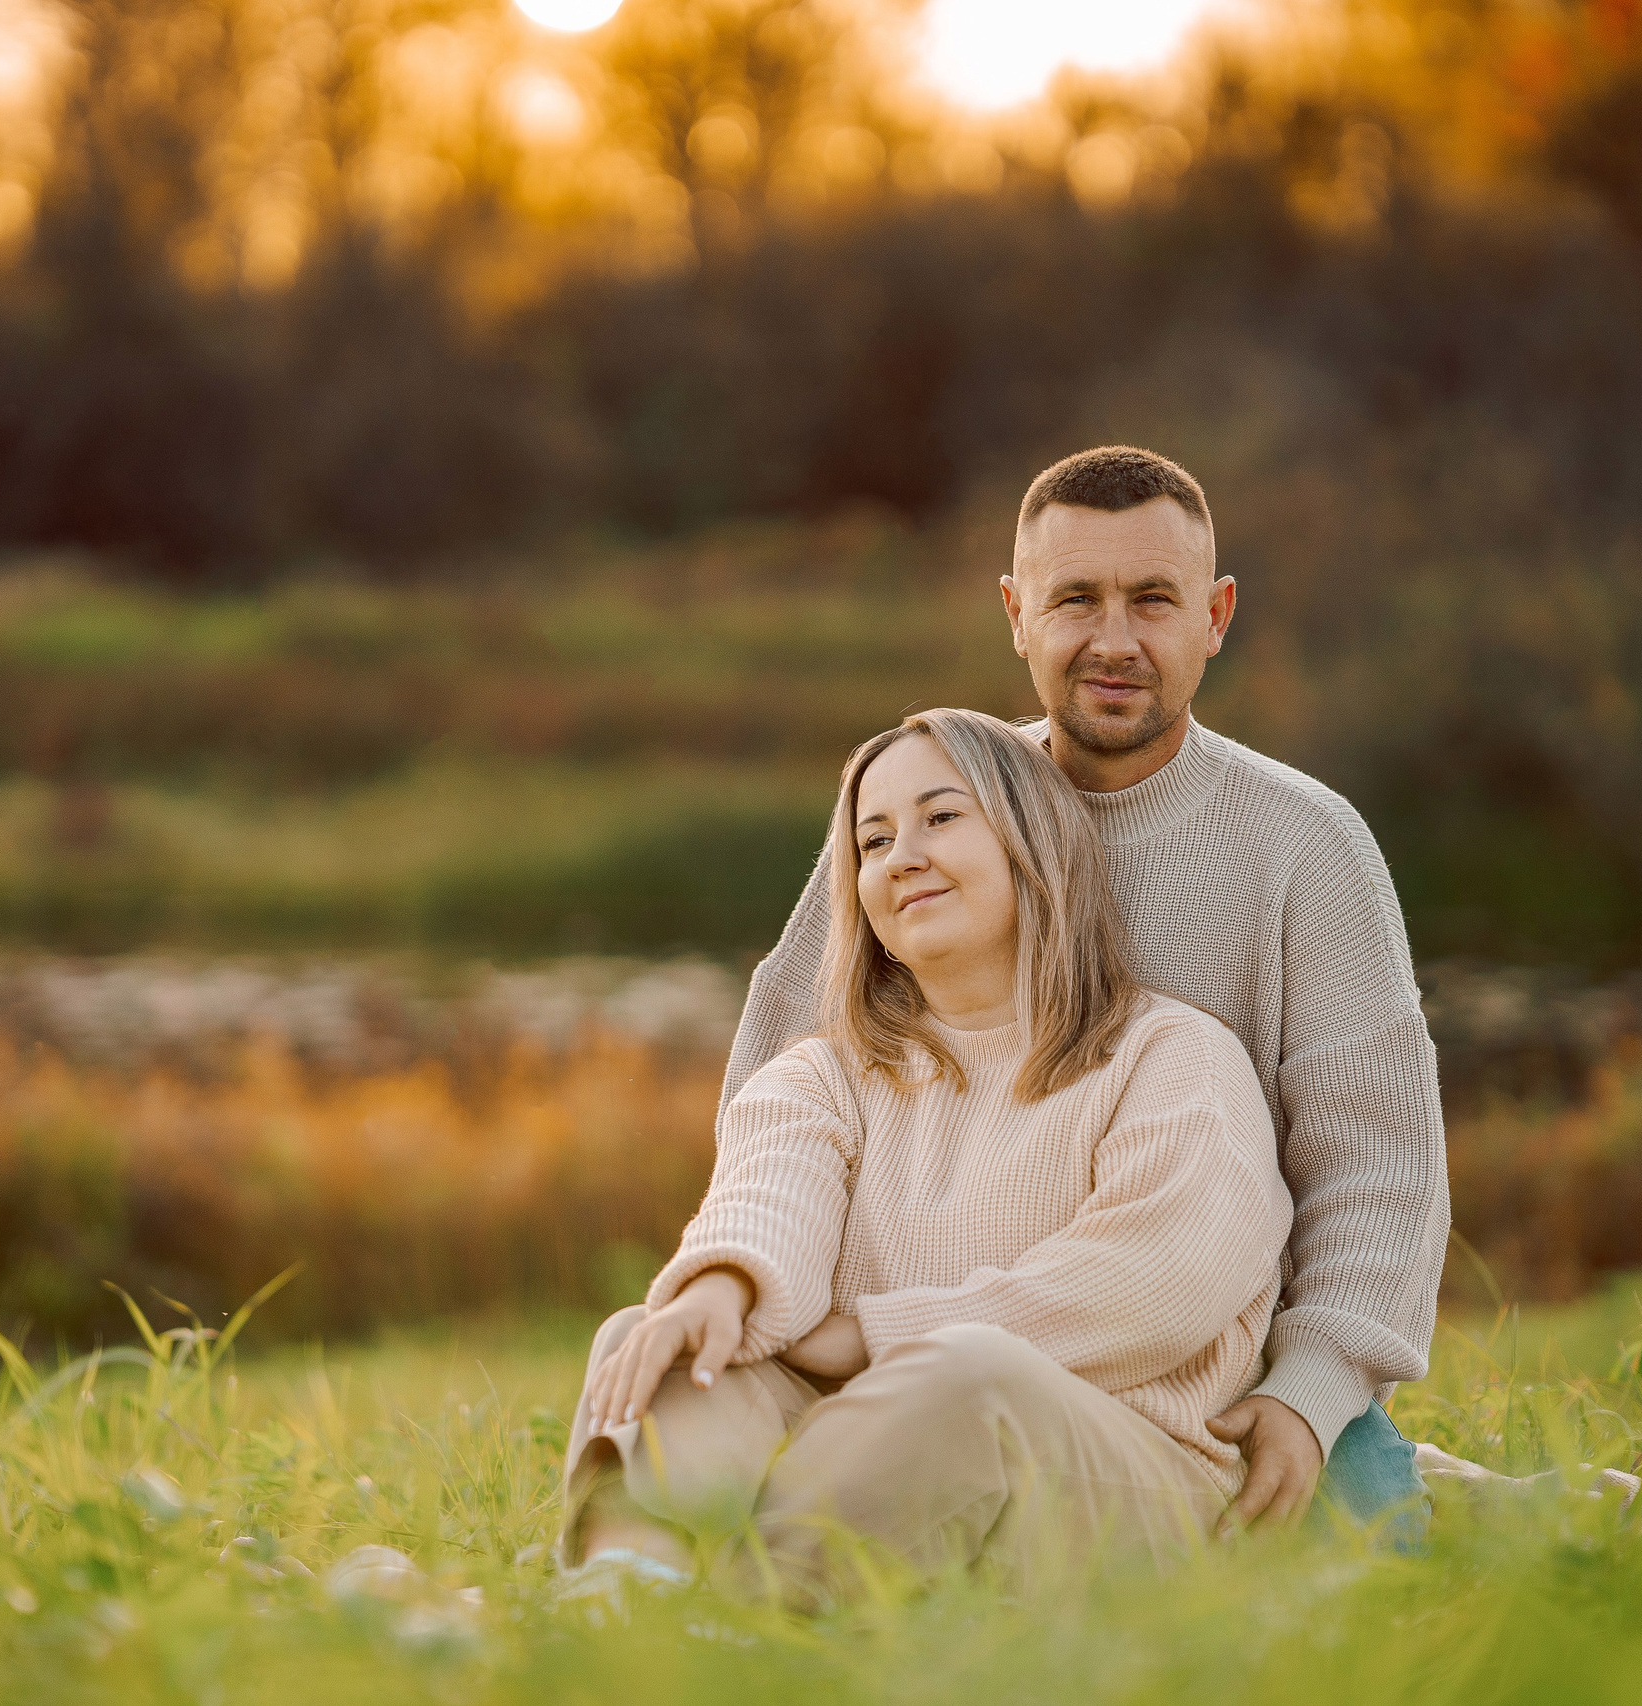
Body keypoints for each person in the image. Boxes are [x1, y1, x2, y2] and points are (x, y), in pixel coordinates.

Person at [719, 446, 1450, 1534]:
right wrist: (794, 1307)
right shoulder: (923, 817)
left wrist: (1310, 1389)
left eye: (1152, 599)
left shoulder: (1307, 844)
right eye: (1075, 600)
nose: (1113, 639)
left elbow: (1376, 1167)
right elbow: (780, 1086)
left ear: (1216, 614)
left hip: (1217, 1379)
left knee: (1398, 1577)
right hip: (916, 1357)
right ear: (1018, 613)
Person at [562, 707, 1293, 1603]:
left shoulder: (1171, 1056)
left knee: (968, 1375)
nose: (901, 855)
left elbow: (1156, 1283)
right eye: (872, 842)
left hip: (1132, 1482)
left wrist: (876, 1335)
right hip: (877, 1460)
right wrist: (723, 1289)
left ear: (1035, 843)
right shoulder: (826, 1073)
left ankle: (734, 1618)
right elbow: (769, 1197)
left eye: (942, 818)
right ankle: (621, 1590)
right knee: (656, 1340)